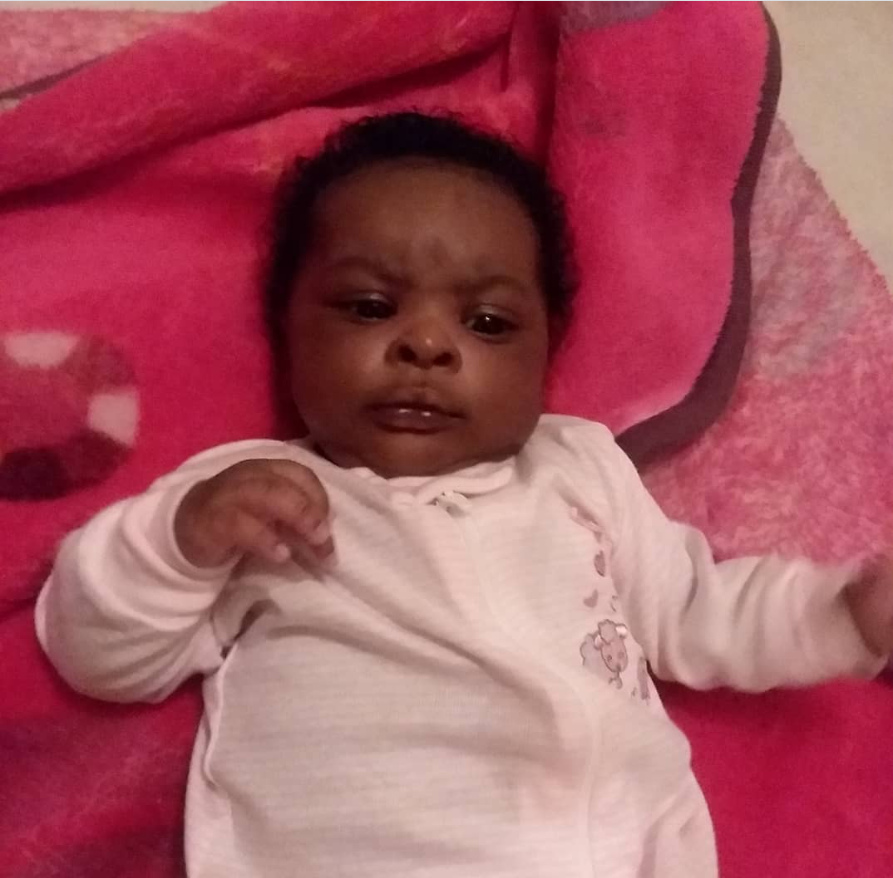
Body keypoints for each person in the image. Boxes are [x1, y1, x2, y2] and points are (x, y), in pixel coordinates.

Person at [35, 112, 893, 878]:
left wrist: (840, 616)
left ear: (545, 355)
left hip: (614, 844)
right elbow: (103, 658)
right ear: (285, 329)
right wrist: (180, 542)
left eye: (487, 323)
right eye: (369, 306)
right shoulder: (253, 493)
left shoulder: (578, 468)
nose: (426, 346)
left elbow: (696, 611)